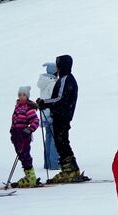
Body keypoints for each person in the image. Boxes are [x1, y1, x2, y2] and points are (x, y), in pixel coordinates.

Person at [36, 54, 86, 182]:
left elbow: (60, 98)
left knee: (61, 142)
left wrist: (45, 102)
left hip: (62, 115)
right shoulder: (66, 78)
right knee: (62, 142)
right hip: (62, 114)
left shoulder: (65, 79)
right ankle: (71, 168)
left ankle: (69, 170)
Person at [11, 86, 40, 188]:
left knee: (25, 154)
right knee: (21, 155)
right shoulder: (17, 107)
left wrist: (29, 129)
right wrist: (12, 131)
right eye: (19, 95)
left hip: (23, 135)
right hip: (16, 135)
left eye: (23, 95)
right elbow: (14, 121)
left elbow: (35, 121)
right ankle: (28, 175)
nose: (21, 97)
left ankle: (31, 176)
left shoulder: (28, 108)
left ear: (27, 96)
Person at [37, 61, 60, 172]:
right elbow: (54, 98)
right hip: (51, 113)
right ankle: (54, 164)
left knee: (49, 138)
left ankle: (48, 162)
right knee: (55, 139)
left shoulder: (44, 82)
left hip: (44, 113)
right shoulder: (53, 83)